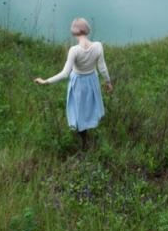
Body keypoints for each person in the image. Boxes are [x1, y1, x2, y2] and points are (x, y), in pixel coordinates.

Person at [34, 17, 113, 150]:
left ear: (75, 32)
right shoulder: (98, 46)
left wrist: (45, 81)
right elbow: (102, 68)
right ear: (86, 30)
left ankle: (84, 141)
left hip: (79, 82)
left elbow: (65, 73)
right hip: (92, 80)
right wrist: (108, 82)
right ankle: (88, 131)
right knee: (90, 106)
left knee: (79, 110)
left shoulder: (74, 50)